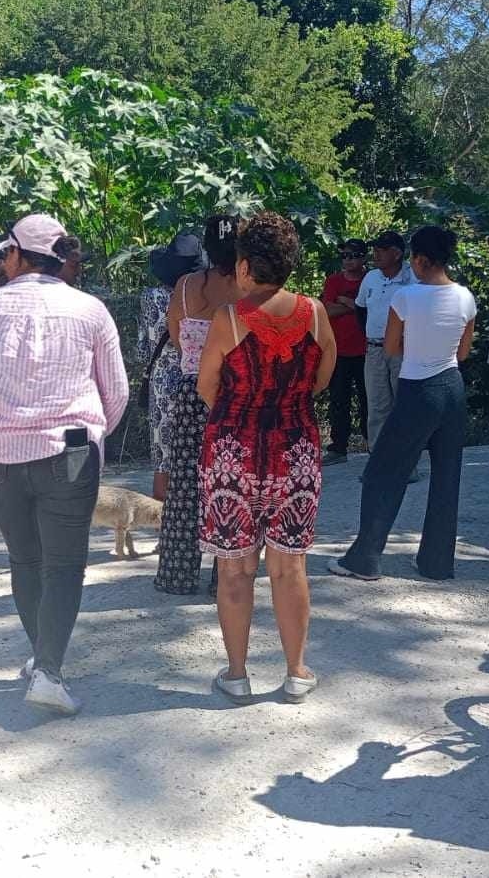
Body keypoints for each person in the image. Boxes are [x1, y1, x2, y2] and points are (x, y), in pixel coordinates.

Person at [0, 213, 128, 716]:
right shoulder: (90, 310)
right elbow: (117, 393)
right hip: (71, 451)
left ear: (16, 255)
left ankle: (42, 657)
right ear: (60, 257)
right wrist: (95, 434)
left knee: (25, 558)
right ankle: (47, 669)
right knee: (64, 565)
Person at [198, 212, 334, 704]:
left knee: (235, 568)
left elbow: (207, 386)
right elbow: (322, 379)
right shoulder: (315, 312)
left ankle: (236, 674)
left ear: (244, 265)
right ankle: (296, 672)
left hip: (233, 451)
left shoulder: (228, 319)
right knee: (289, 565)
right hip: (295, 448)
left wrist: (244, 413)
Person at [330, 227, 475, 582]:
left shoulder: (406, 298)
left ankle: (364, 558)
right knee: (447, 475)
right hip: (452, 387)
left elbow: (392, 347)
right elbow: (464, 351)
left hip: (417, 386)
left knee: (382, 473)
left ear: (421, 260)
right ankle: (437, 562)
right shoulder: (465, 297)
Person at [156, 214, 240, 596]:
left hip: (190, 391)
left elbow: (176, 337)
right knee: (229, 485)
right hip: (234, 394)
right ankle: (224, 577)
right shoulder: (246, 288)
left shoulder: (186, 285)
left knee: (185, 487)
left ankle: (177, 574)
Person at [141, 231, 204, 501]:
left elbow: (143, 348)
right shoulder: (201, 297)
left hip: (161, 379)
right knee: (198, 451)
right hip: (196, 377)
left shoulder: (150, 297)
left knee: (163, 455)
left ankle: (161, 528)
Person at [355, 230, 416, 453]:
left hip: (404, 349)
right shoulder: (370, 278)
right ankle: (379, 461)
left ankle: (406, 464)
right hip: (374, 349)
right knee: (377, 406)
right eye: (375, 249)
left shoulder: (413, 279)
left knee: (405, 406)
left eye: (382, 250)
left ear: (397, 254)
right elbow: (360, 309)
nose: (376, 254)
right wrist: (371, 335)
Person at [321, 239, 369, 465]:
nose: (348, 260)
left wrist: (348, 302)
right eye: (345, 255)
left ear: (363, 258)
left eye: (353, 255)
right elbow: (327, 310)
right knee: (339, 400)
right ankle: (338, 447)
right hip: (339, 350)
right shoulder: (333, 281)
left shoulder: (371, 280)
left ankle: (373, 443)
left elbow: (371, 309)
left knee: (368, 399)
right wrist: (355, 306)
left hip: (366, 349)